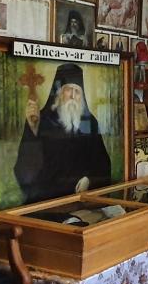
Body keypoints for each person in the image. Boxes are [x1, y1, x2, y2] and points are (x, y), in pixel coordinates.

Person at [13, 63, 113, 203]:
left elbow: (102, 163)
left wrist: (89, 179)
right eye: (68, 90)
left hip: (81, 199)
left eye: (77, 91)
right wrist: (32, 130)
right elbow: (26, 166)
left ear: (82, 96)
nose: (72, 96)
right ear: (59, 94)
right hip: (47, 200)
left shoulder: (90, 122)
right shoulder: (41, 119)